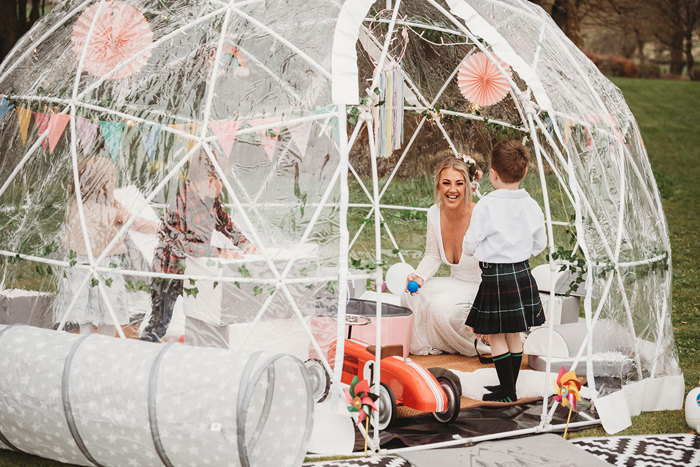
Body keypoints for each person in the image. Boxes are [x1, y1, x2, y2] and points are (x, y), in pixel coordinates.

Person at [140, 149, 256, 343]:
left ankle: (200, 348)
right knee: (160, 322)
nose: (223, 187)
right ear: (211, 180)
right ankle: (144, 350)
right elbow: (184, 246)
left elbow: (226, 224)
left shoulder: (211, 202)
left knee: (202, 313)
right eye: (222, 182)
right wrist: (219, 252)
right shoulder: (181, 204)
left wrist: (244, 243)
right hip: (168, 272)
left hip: (193, 270)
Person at [463, 140, 547, 402]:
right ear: (523, 173)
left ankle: (508, 391)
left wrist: (474, 251)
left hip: (496, 276)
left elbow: (470, 242)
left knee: (497, 335)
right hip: (521, 273)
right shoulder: (531, 205)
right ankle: (508, 387)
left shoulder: (487, 205)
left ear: (493, 174)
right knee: (514, 334)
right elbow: (540, 243)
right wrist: (520, 253)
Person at [56, 154, 158, 336]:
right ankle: (105, 341)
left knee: (83, 309)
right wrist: (161, 227)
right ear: (101, 182)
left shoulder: (76, 203)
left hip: (79, 264)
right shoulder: (111, 209)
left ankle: (84, 340)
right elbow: (136, 222)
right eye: (111, 177)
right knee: (109, 309)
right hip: (104, 266)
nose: (115, 180)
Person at [401, 154, 489, 356]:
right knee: (410, 294)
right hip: (456, 282)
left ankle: (473, 344)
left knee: (438, 308)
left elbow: (496, 262)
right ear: (438, 186)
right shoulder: (433, 212)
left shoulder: (480, 215)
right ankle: (427, 345)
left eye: (459, 183)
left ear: (468, 186)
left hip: (480, 288)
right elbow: (432, 254)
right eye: (446, 183)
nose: (452, 189)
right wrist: (420, 276)